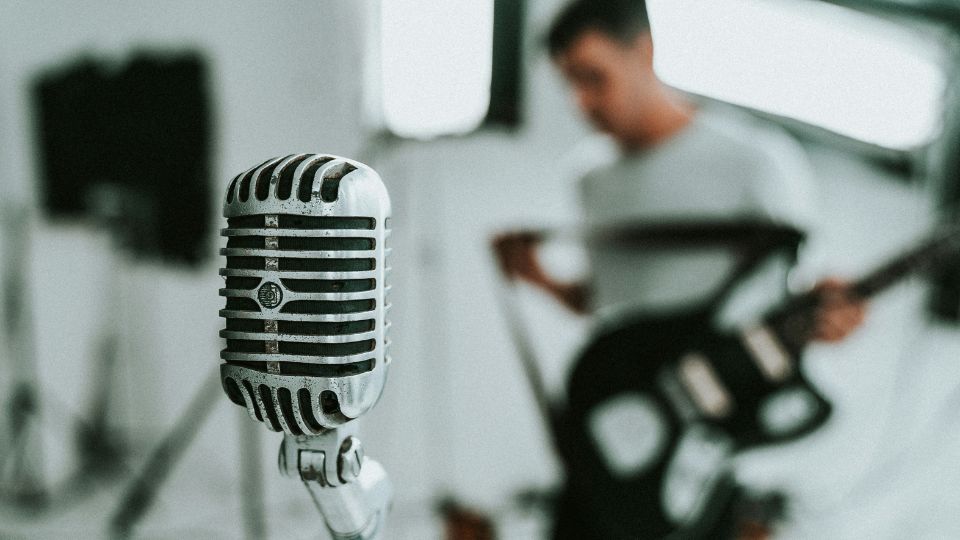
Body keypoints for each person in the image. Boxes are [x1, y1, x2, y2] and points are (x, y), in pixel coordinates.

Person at [493, 0, 867, 537]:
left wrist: (829, 312)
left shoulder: (755, 159)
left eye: (594, 77)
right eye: (569, 84)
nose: (581, 102)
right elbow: (607, 298)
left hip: (700, 430)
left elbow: (785, 293)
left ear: (643, 50)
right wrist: (538, 277)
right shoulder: (589, 178)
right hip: (616, 407)